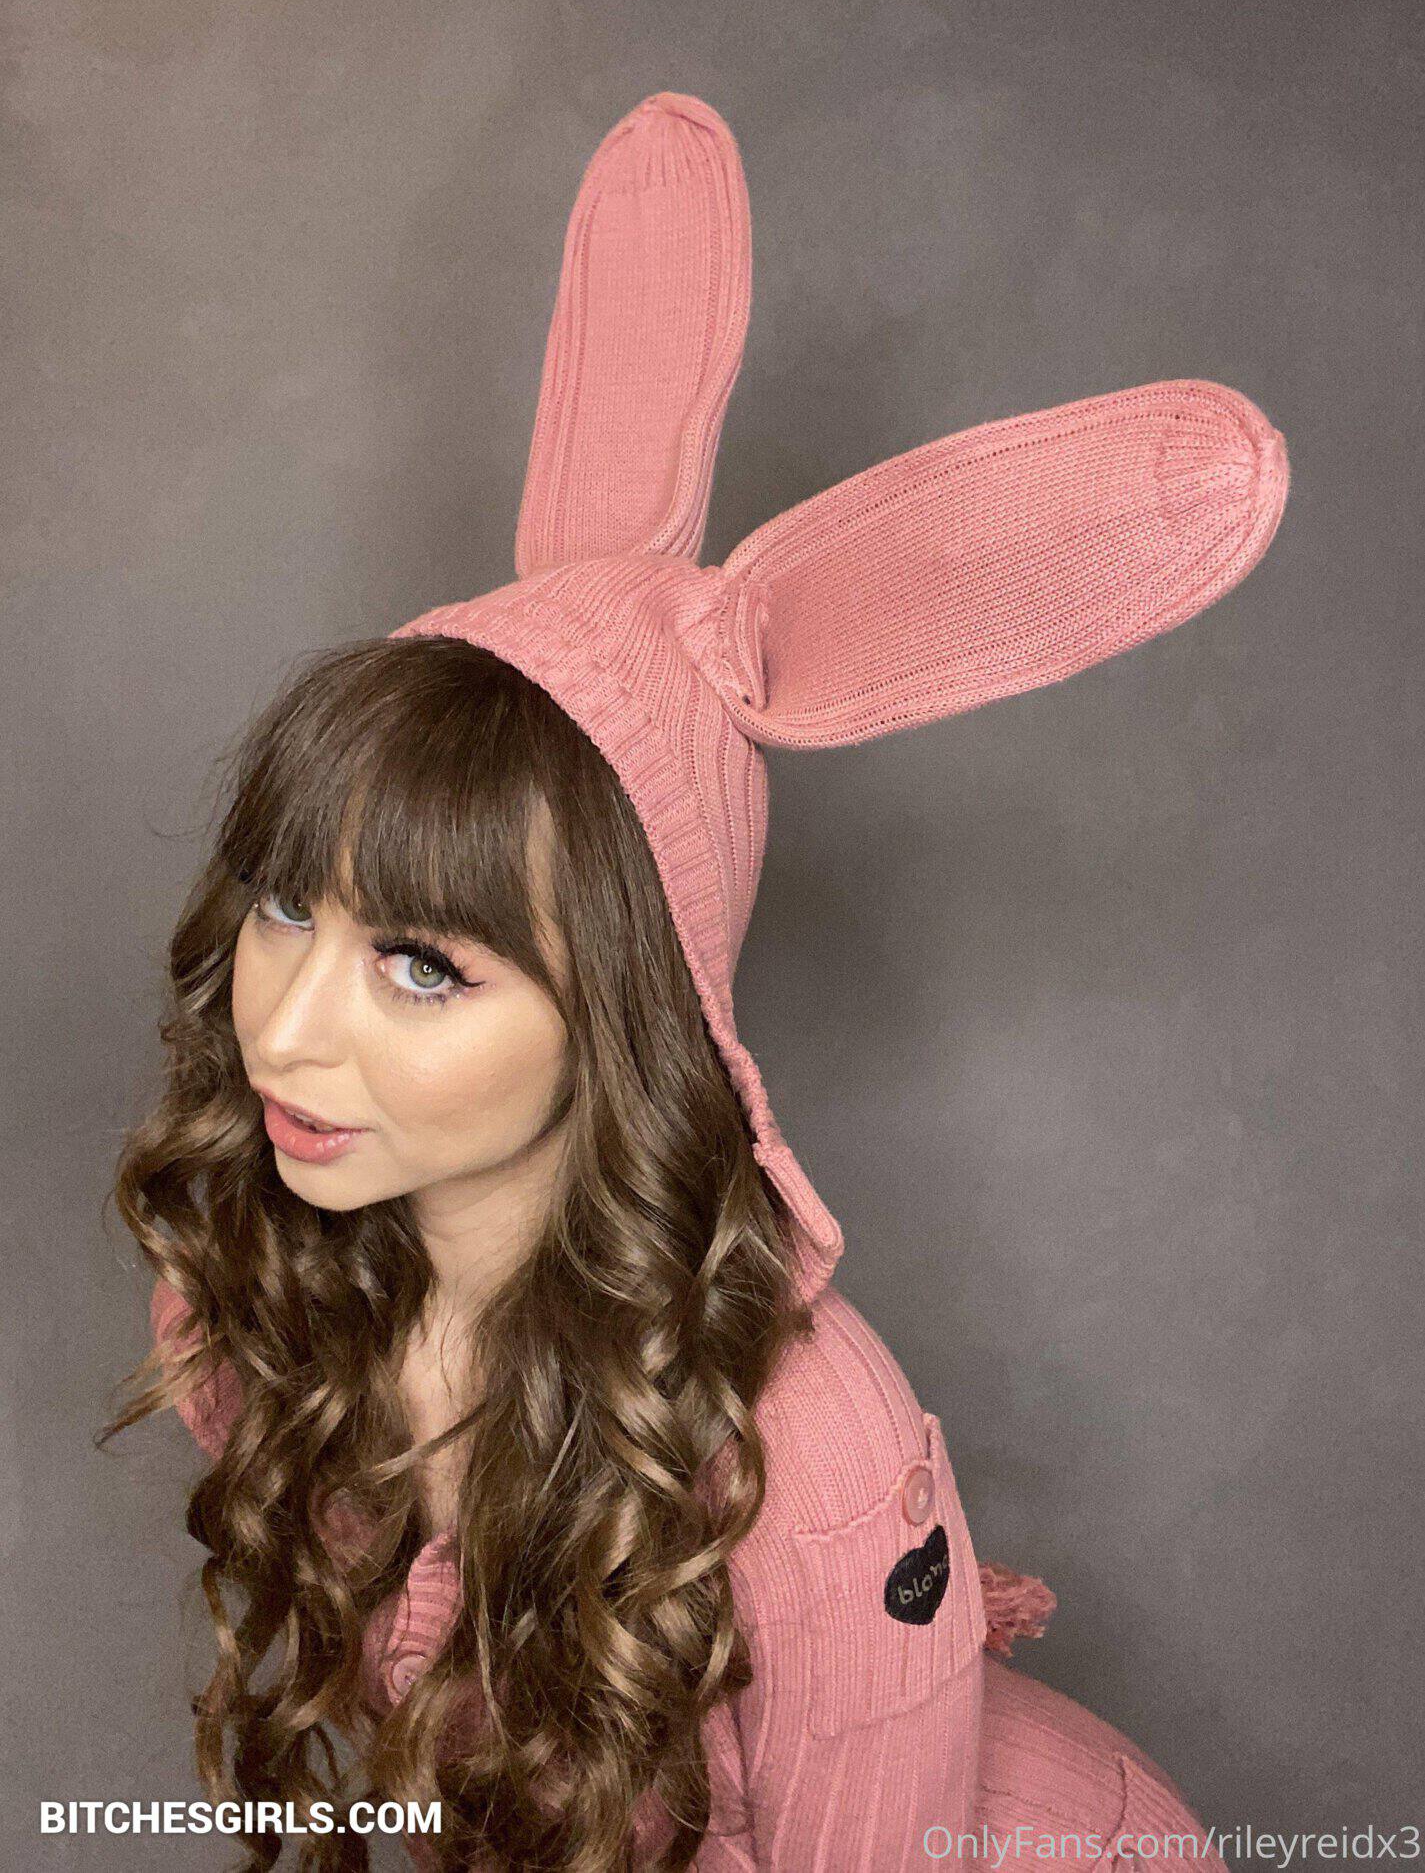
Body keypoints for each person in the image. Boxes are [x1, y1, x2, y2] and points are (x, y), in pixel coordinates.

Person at [106, 92, 1289, 1871]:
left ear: (631, 1012)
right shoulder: (254, 1284)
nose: (282, 1027)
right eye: (286, 907)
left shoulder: (806, 1453)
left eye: (420, 965)